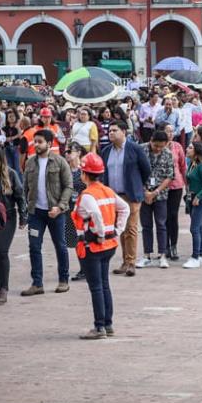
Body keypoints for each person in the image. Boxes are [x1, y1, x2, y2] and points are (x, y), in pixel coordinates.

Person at [71, 152, 130, 339]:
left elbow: (95, 214)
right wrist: (117, 231)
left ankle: (99, 327)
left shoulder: (87, 195)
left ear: (84, 174)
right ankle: (108, 324)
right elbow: (125, 208)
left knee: (96, 286)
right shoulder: (107, 191)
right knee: (104, 284)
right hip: (108, 245)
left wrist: (100, 234)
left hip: (93, 245)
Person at [21, 129, 73, 296]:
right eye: (35, 141)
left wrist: (60, 207)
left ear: (49, 144)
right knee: (34, 246)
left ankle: (64, 280)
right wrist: (24, 212)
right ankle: (37, 283)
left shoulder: (60, 162)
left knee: (60, 245)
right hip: (36, 213)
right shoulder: (30, 163)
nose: (36, 144)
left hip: (56, 212)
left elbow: (68, 186)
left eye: (40, 142)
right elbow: (24, 189)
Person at [101, 120, 151, 276]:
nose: (111, 133)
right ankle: (124, 262)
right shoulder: (106, 151)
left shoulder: (134, 149)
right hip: (113, 196)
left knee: (130, 228)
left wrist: (137, 185)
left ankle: (131, 263)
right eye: (109, 130)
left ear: (124, 132)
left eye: (114, 130)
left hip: (130, 195)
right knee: (121, 230)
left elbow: (146, 169)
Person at [0, 147, 27, 305]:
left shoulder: (11, 174)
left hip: (7, 217)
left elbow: (20, 196)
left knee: (1, 251)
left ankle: (4, 288)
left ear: (2, 162)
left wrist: (23, 217)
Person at [136, 130, 174, 269]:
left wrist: (155, 192)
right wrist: (145, 192)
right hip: (144, 193)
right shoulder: (141, 150)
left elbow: (170, 176)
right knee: (146, 225)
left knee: (161, 224)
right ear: (151, 140)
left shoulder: (168, 154)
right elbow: (136, 171)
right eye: (155, 145)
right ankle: (146, 255)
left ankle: (162, 255)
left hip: (161, 194)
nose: (157, 148)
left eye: (161, 146)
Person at [183, 142, 202, 269]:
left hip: (200, 200)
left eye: (190, 148)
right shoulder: (192, 164)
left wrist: (198, 196)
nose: (187, 149)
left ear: (196, 151)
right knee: (198, 227)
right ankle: (201, 255)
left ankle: (195, 256)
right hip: (192, 198)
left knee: (194, 228)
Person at [64, 142, 87, 281]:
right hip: (69, 208)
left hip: (83, 208)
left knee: (84, 238)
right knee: (74, 240)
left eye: (71, 151)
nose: (68, 153)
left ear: (79, 152)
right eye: (66, 151)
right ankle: (82, 268)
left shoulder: (84, 169)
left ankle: (86, 268)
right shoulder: (64, 169)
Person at [164, 124, 186, 261]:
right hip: (162, 186)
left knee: (173, 215)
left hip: (176, 185)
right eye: (168, 131)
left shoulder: (177, 147)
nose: (170, 133)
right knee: (163, 217)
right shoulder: (158, 146)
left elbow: (183, 166)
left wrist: (187, 185)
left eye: (172, 131)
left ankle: (174, 245)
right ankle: (164, 246)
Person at [3, 108, 22, 182]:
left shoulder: (18, 127)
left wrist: (18, 129)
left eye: (13, 116)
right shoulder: (4, 128)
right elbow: (4, 139)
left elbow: (21, 137)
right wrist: (15, 136)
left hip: (17, 148)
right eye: (10, 117)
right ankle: (11, 184)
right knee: (9, 168)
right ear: (7, 119)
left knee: (18, 168)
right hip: (7, 148)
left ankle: (20, 185)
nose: (11, 118)